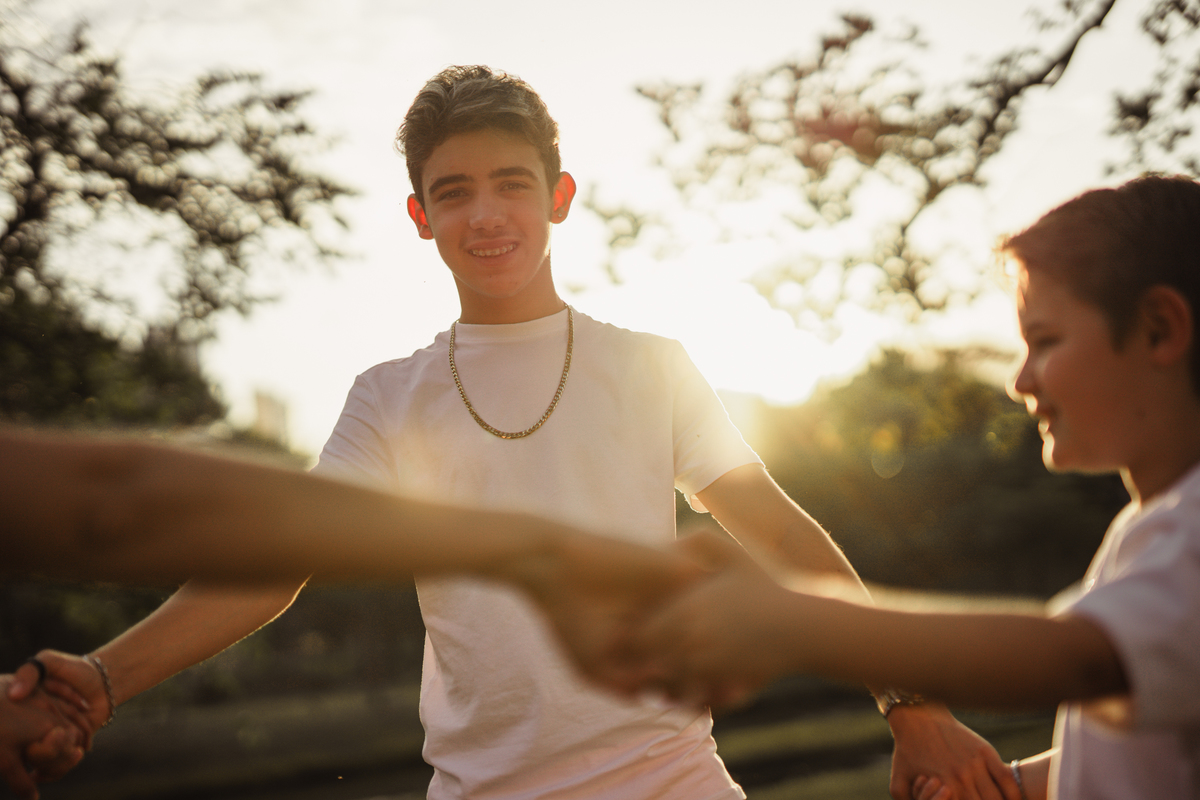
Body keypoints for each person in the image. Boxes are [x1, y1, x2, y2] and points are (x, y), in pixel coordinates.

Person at [21, 65, 1011, 800]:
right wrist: (103, 680)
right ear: (420, 215)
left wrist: (912, 704)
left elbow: (781, 532)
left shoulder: (652, 364)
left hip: (673, 782)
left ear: (559, 197)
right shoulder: (387, 397)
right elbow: (280, 562)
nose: (486, 215)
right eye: (454, 191)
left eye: (512, 183)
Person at [612, 175, 1200, 800]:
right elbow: (1140, 739)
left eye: (1045, 342)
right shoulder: (1150, 527)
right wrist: (1008, 787)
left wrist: (794, 620)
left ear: (1159, 329)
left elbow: (1075, 664)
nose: (1020, 380)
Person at [0, 425, 695, 799]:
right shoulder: (391, 395)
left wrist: (101, 679)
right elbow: (115, 503)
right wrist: (535, 552)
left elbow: (116, 504)